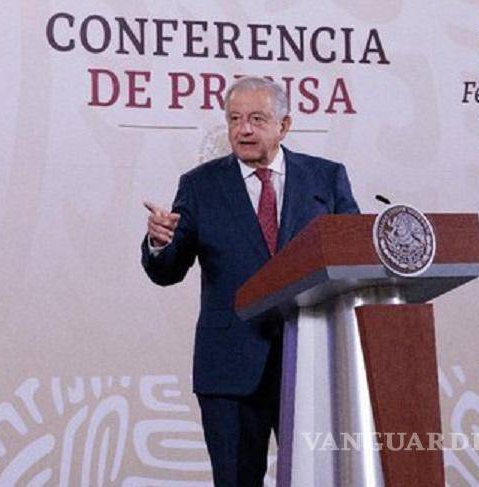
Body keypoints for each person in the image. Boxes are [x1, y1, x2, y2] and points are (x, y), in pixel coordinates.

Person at [141, 76, 359, 486]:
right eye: (235, 119)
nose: (243, 129)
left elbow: (353, 255)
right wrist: (159, 243)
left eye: (257, 119)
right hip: (230, 368)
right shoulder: (200, 185)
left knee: (322, 478)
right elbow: (169, 270)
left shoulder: (325, 178)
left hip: (312, 361)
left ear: (284, 125)